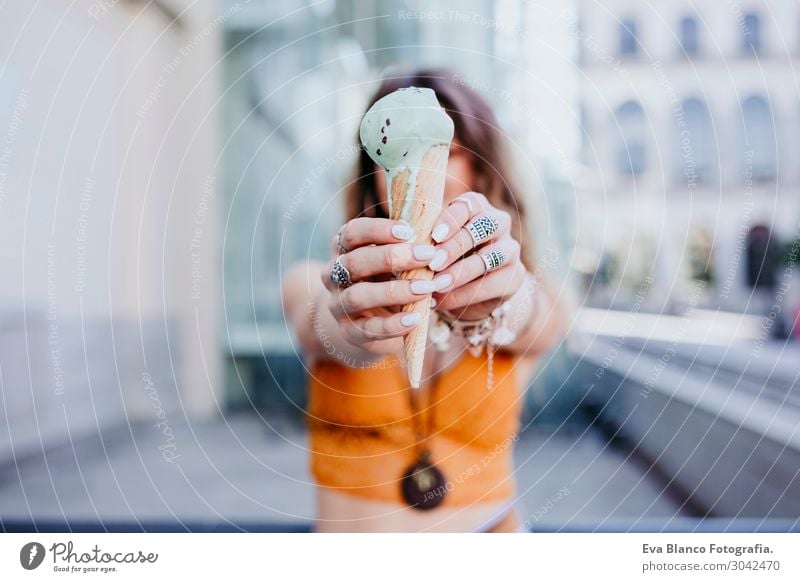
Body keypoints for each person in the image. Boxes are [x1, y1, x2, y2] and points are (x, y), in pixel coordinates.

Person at [282, 69, 569, 532]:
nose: (415, 168)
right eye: (394, 153)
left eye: (448, 154)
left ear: (479, 165)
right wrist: (359, 323)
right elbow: (319, 322)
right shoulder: (313, 282)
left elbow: (537, 318)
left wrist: (498, 303)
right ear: (372, 170)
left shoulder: (535, 289)